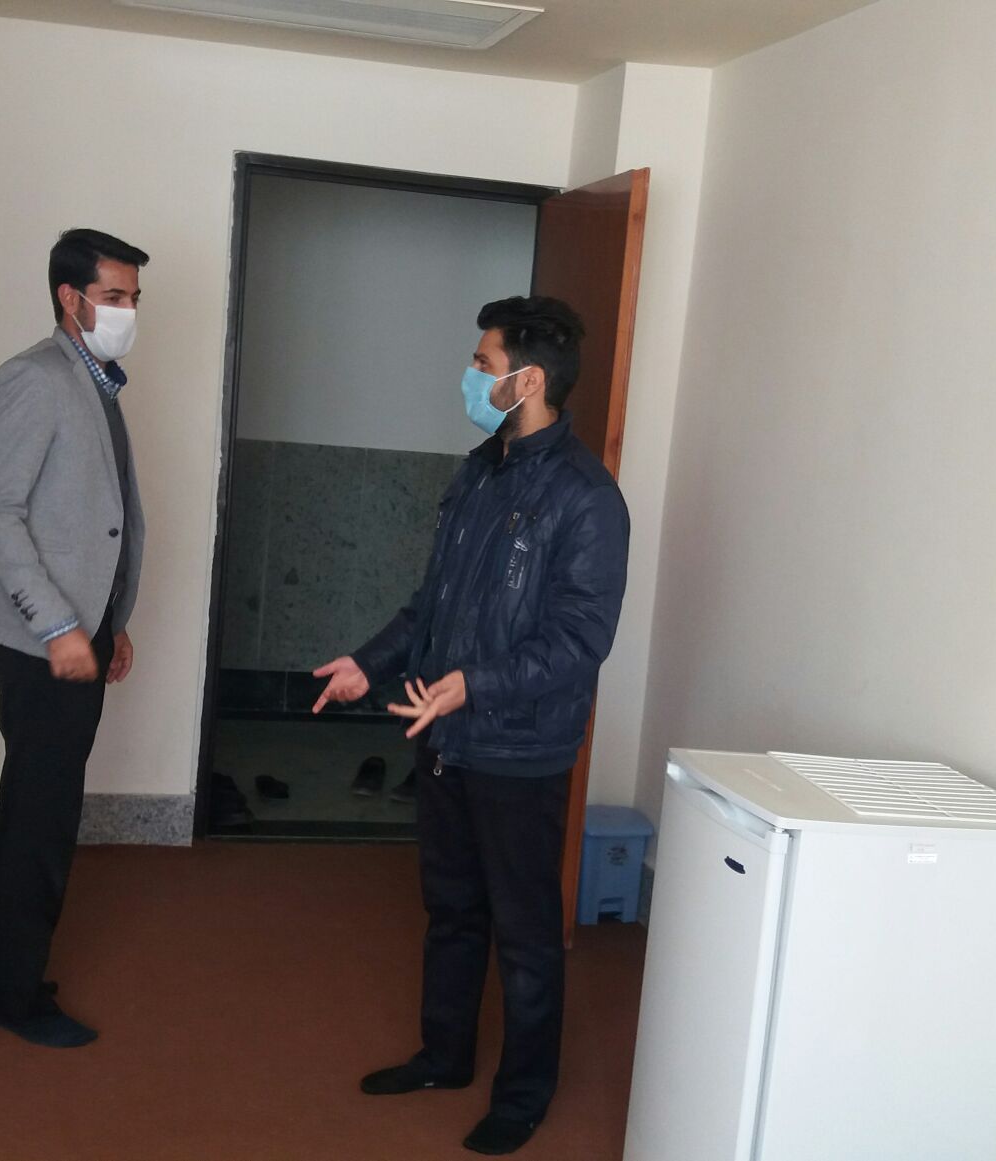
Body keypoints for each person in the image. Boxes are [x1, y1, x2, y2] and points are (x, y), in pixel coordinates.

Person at [313, 296, 630, 1155]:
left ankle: (522, 1095)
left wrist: (474, 685)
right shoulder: (480, 470)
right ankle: (443, 1055)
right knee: (451, 910)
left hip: (519, 749)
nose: (470, 376)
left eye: (483, 365)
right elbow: (434, 602)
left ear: (528, 380)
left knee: (525, 933)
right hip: (447, 735)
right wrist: (368, 663)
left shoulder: (588, 500)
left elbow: (579, 640)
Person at [0, 228, 148, 1048]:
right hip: (39, 637)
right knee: (42, 817)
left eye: (133, 298)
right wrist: (62, 626)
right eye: (113, 297)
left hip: (78, 628)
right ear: (70, 299)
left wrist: (111, 621)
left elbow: (91, 519)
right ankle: (16, 997)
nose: (128, 312)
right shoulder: (35, 378)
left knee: (33, 807)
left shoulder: (94, 381)